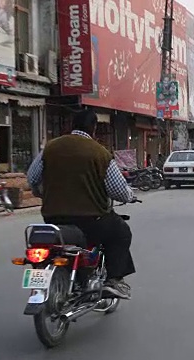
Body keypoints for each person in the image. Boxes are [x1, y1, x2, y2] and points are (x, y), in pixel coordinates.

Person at [27, 110, 136, 300]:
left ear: (71, 126)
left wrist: (42, 194)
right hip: (91, 221)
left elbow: (32, 178)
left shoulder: (51, 148)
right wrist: (129, 196)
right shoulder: (99, 153)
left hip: (53, 219)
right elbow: (118, 190)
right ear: (94, 128)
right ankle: (114, 280)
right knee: (121, 232)